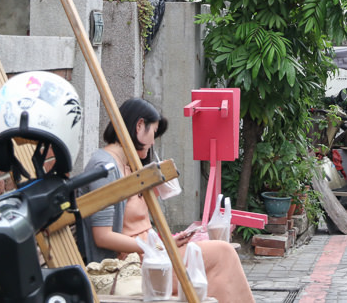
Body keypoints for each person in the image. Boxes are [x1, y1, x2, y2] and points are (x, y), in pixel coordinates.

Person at [80, 98, 255, 303]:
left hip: (152, 255)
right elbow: (102, 237)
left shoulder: (127, 164)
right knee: (221, 254)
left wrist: (165, 242)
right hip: (132, 265)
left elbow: (139, 227)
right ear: (139, 126)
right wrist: (154, 247)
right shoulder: (105, 167)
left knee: (219, 255)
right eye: (153, 132)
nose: (153, 141)